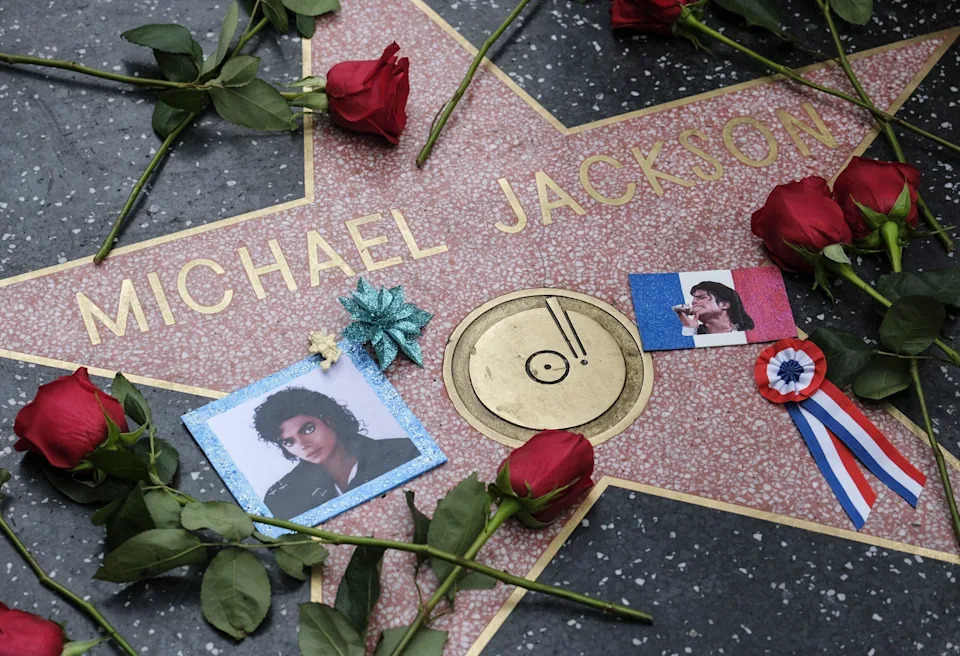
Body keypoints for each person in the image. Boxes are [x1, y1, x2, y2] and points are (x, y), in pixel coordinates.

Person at [252, 387, 421, 519]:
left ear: (329, 420)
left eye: (308, 429)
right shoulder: (282, 497)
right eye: (289, 441)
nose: (303, 445)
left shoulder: (404, 452)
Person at [673, 281, 755, 336]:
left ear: (724, 304)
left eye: (702, 297)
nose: (693, 302)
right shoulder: (692, 331)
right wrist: (690, 330)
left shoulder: (747, 332)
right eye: (694, 299)